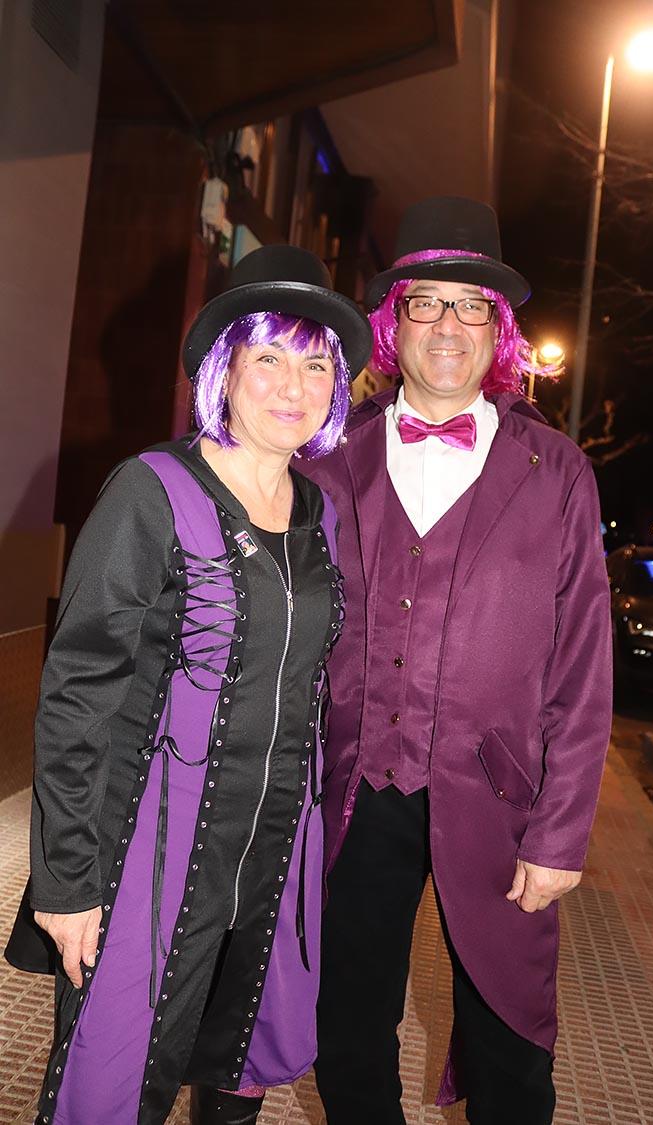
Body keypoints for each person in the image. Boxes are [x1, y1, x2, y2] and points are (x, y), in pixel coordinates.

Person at [4, 244, 372, 1125]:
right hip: (151, 854)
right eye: (269, 358)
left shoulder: (318, 511)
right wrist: (67, 882)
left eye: (316, 365)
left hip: (272, 858)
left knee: (236, 1076)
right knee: (117, 1086)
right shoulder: (150, 491)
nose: (294, 386)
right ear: (225, 370)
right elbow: (78, 693)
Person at [303, 196, 613, 1125]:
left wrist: (561, 836)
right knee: (346, 1030)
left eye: (472, 305)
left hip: (502, 797)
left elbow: (584, 669)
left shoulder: (557, 471)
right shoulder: (329, 457)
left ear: (499, 329)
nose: (448, 324)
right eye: (427, 302)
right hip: (356, 789)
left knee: (511, 1043)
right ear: (393, 322)